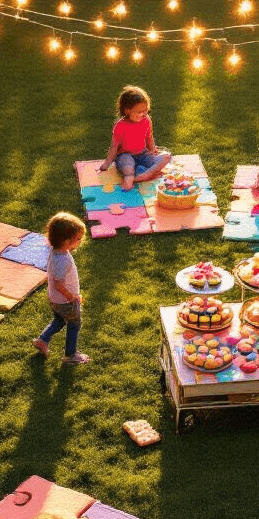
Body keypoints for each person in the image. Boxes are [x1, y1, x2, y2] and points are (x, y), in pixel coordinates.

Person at [33, 212, 90, 365]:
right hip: (66, 301)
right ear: (65, 241)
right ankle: (70, 355)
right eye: (78, 239)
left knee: (59, 320)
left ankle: (42, 340)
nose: (80, 241)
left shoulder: (56, 252)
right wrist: (73, 297)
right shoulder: (62, 260)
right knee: (74, 324)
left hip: (55, 299)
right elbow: (59, 283)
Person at [97, 85, 170, 191]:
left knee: (166, 157)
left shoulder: (146, 120)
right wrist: (107, 163)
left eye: (146, 110)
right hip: (125, 155)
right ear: (127, 111)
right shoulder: (120, 125)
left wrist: (152, 149)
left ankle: (145, 175)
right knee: (128, 167)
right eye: (140, 112)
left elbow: (149, 136)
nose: (144, 114)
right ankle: (130, 178)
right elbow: (114, 146)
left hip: (142, 154)